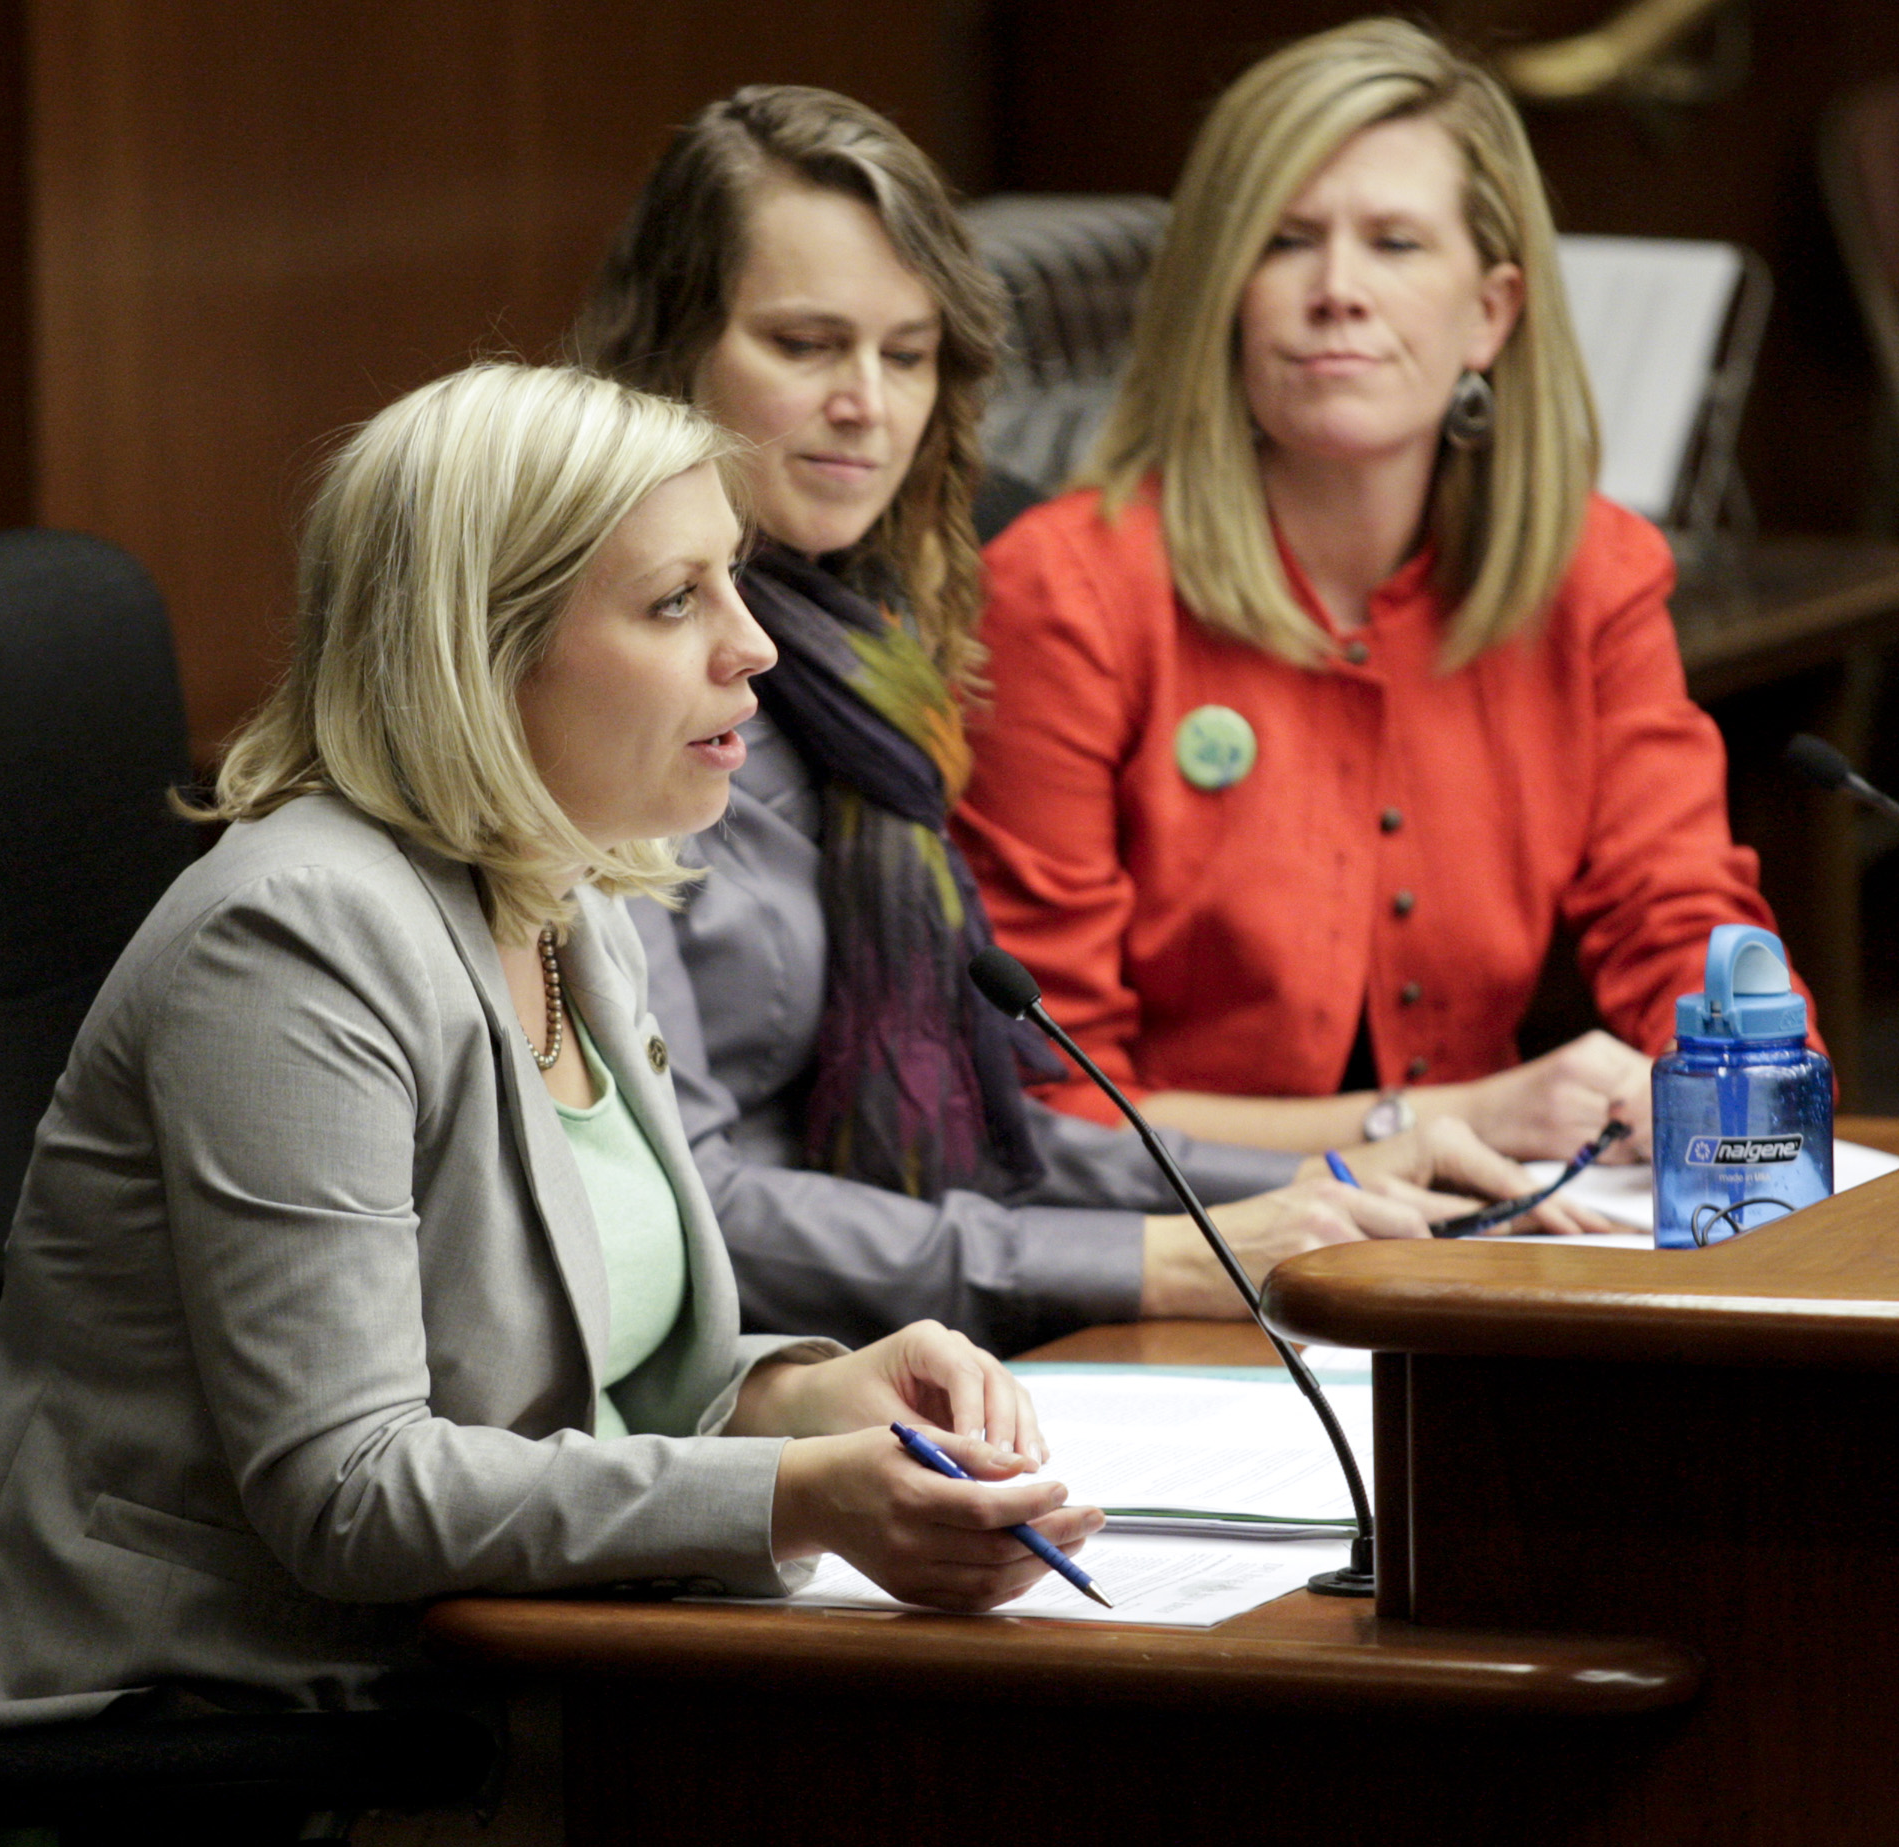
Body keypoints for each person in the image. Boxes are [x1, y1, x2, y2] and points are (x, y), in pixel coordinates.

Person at [0, 362, 1101, 1800]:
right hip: (223, 1718)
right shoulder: (293, 941)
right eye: (676, 603)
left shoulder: (566, 881)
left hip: (500, 1657)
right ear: (482, 649)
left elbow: (581, 1385)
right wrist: (793, 1499)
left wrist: (814, 1399)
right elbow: (349, 1491)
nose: (756, 648)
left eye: (734, 583)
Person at [573, 84, 1598, 1358]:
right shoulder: (594, 685)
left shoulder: (869, 668)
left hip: (879, 1345)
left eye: (907, 354)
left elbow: (982, 1127)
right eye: (804, 344)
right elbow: (685, 1206)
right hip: (727, 1385)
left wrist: (1349, 1167)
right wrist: (1154, 1259)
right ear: (672, 353)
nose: (868, 405)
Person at [954, 18, 1811, 1163]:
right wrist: (1431, 1124)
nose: (1338, 290)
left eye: (1397, 243)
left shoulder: (1590, 576)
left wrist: (1737, 1090)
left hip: (1483, 1236)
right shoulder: (1068, 591)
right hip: (1173, 1259)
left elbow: (1682, 921)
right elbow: (1055, 1102)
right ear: (1226, 297)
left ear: (1490, 314)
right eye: (1288, 240)